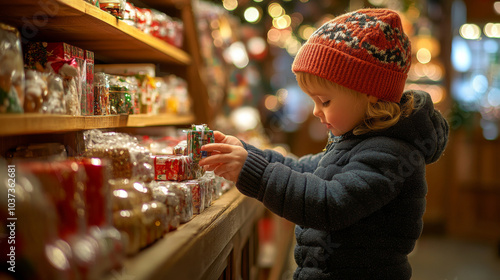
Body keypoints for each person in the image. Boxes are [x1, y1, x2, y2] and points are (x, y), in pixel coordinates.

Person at [199, 8, 449, 280]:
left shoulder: (391, 153)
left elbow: (329, 204)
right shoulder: (357, 139)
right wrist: (247, 153)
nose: (316, 111)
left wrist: (252, 172)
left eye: (325, 101)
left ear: (370, 96)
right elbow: (303, 169)